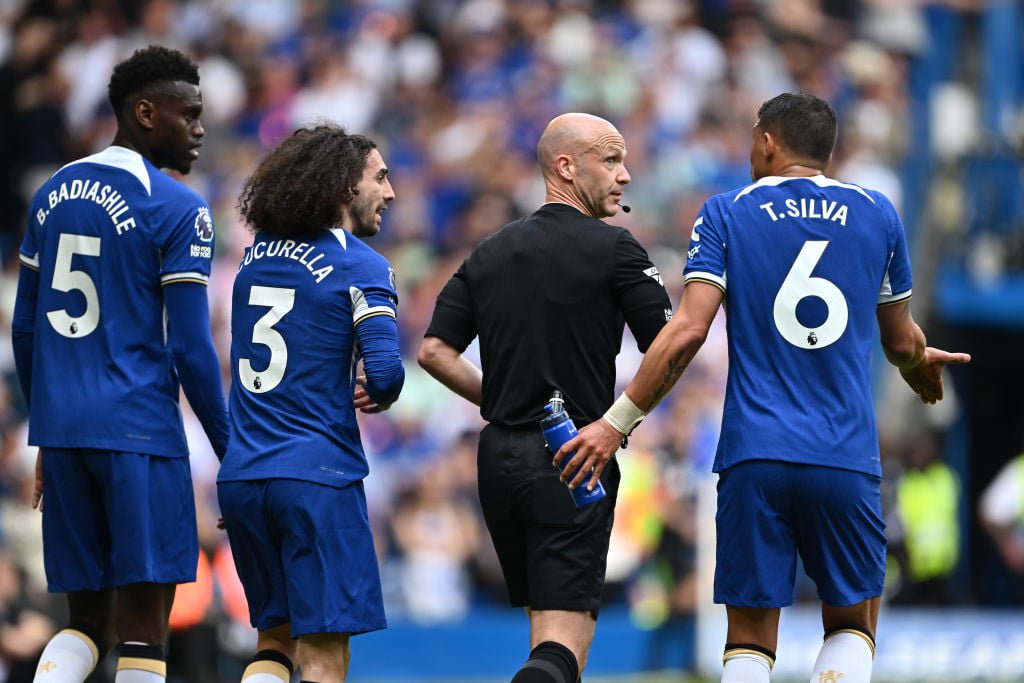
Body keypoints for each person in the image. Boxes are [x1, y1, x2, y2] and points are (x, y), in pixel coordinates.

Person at [559, 92, 971, 683]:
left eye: (753, 137)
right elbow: (902, 343)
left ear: (769, 142)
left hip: (756, 451)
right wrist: (917, 362)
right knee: (853, 623)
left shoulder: (728, 211)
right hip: (844, 454)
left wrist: (614, 422)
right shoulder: (878, 213)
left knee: (750, 637)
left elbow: (687, 332)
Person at [418, 112, 672, 683]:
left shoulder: (489, 252)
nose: (625, 175)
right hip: (573, 455)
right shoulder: (615, 249)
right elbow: (671, 347)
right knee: (561, 645)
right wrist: (618, 421)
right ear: (565, 166)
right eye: (611, 160)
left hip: (499, 461)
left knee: (549, 636)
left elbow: (434, 351)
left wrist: (507, 398)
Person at [10, 45, 229, 683]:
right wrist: (229, 447)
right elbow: (190, 348)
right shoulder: (178, 208)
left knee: (83, 624)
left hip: (66, 432)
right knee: (143, 628)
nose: (199, 129)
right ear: (143, 112)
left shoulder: (50, 193)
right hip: (138, 431)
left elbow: (26, 327)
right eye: (187, 114)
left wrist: (47, 430)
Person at [217, 123, 403, 683]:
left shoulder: (253, 259)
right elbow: (389, 373)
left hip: (245, 475)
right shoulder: (362, 264)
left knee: (273, 641)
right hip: (316, 477)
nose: (390, 192)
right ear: (346, 186)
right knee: (324, 651)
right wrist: (380, 391)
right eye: (380, 177)